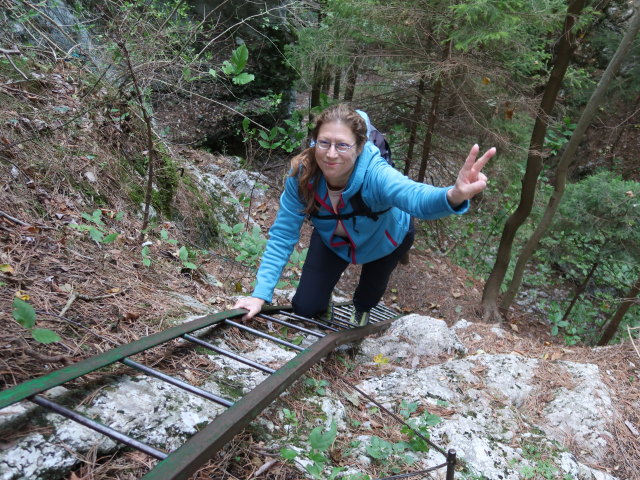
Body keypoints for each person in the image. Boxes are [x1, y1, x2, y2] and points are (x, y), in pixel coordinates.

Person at [234, 104, 495, 325]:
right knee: (304, 307)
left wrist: (454, 195)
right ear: (314, 142)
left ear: (360, 147)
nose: (331, 153)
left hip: (387, 239)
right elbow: (283, 234)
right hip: (333, 242)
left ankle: (361, 311)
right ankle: (323, 303)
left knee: (368, 297)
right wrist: (261, 294)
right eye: (324, 143)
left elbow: (416, 197)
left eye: (342, 145)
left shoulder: (376, 174)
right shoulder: (302, 175)